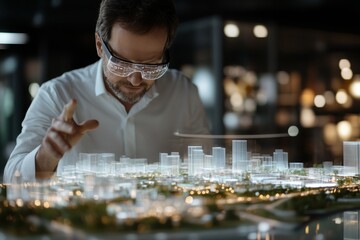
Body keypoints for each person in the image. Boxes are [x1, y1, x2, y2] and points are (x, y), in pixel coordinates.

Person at [3, 0, 210, 183]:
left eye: (151, 65)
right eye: (121, 63)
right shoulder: (56, 94)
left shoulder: (183, 93)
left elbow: (205, 170)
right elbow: (10, 179)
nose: (135, 79)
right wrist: (46, 156)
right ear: (100, 46)